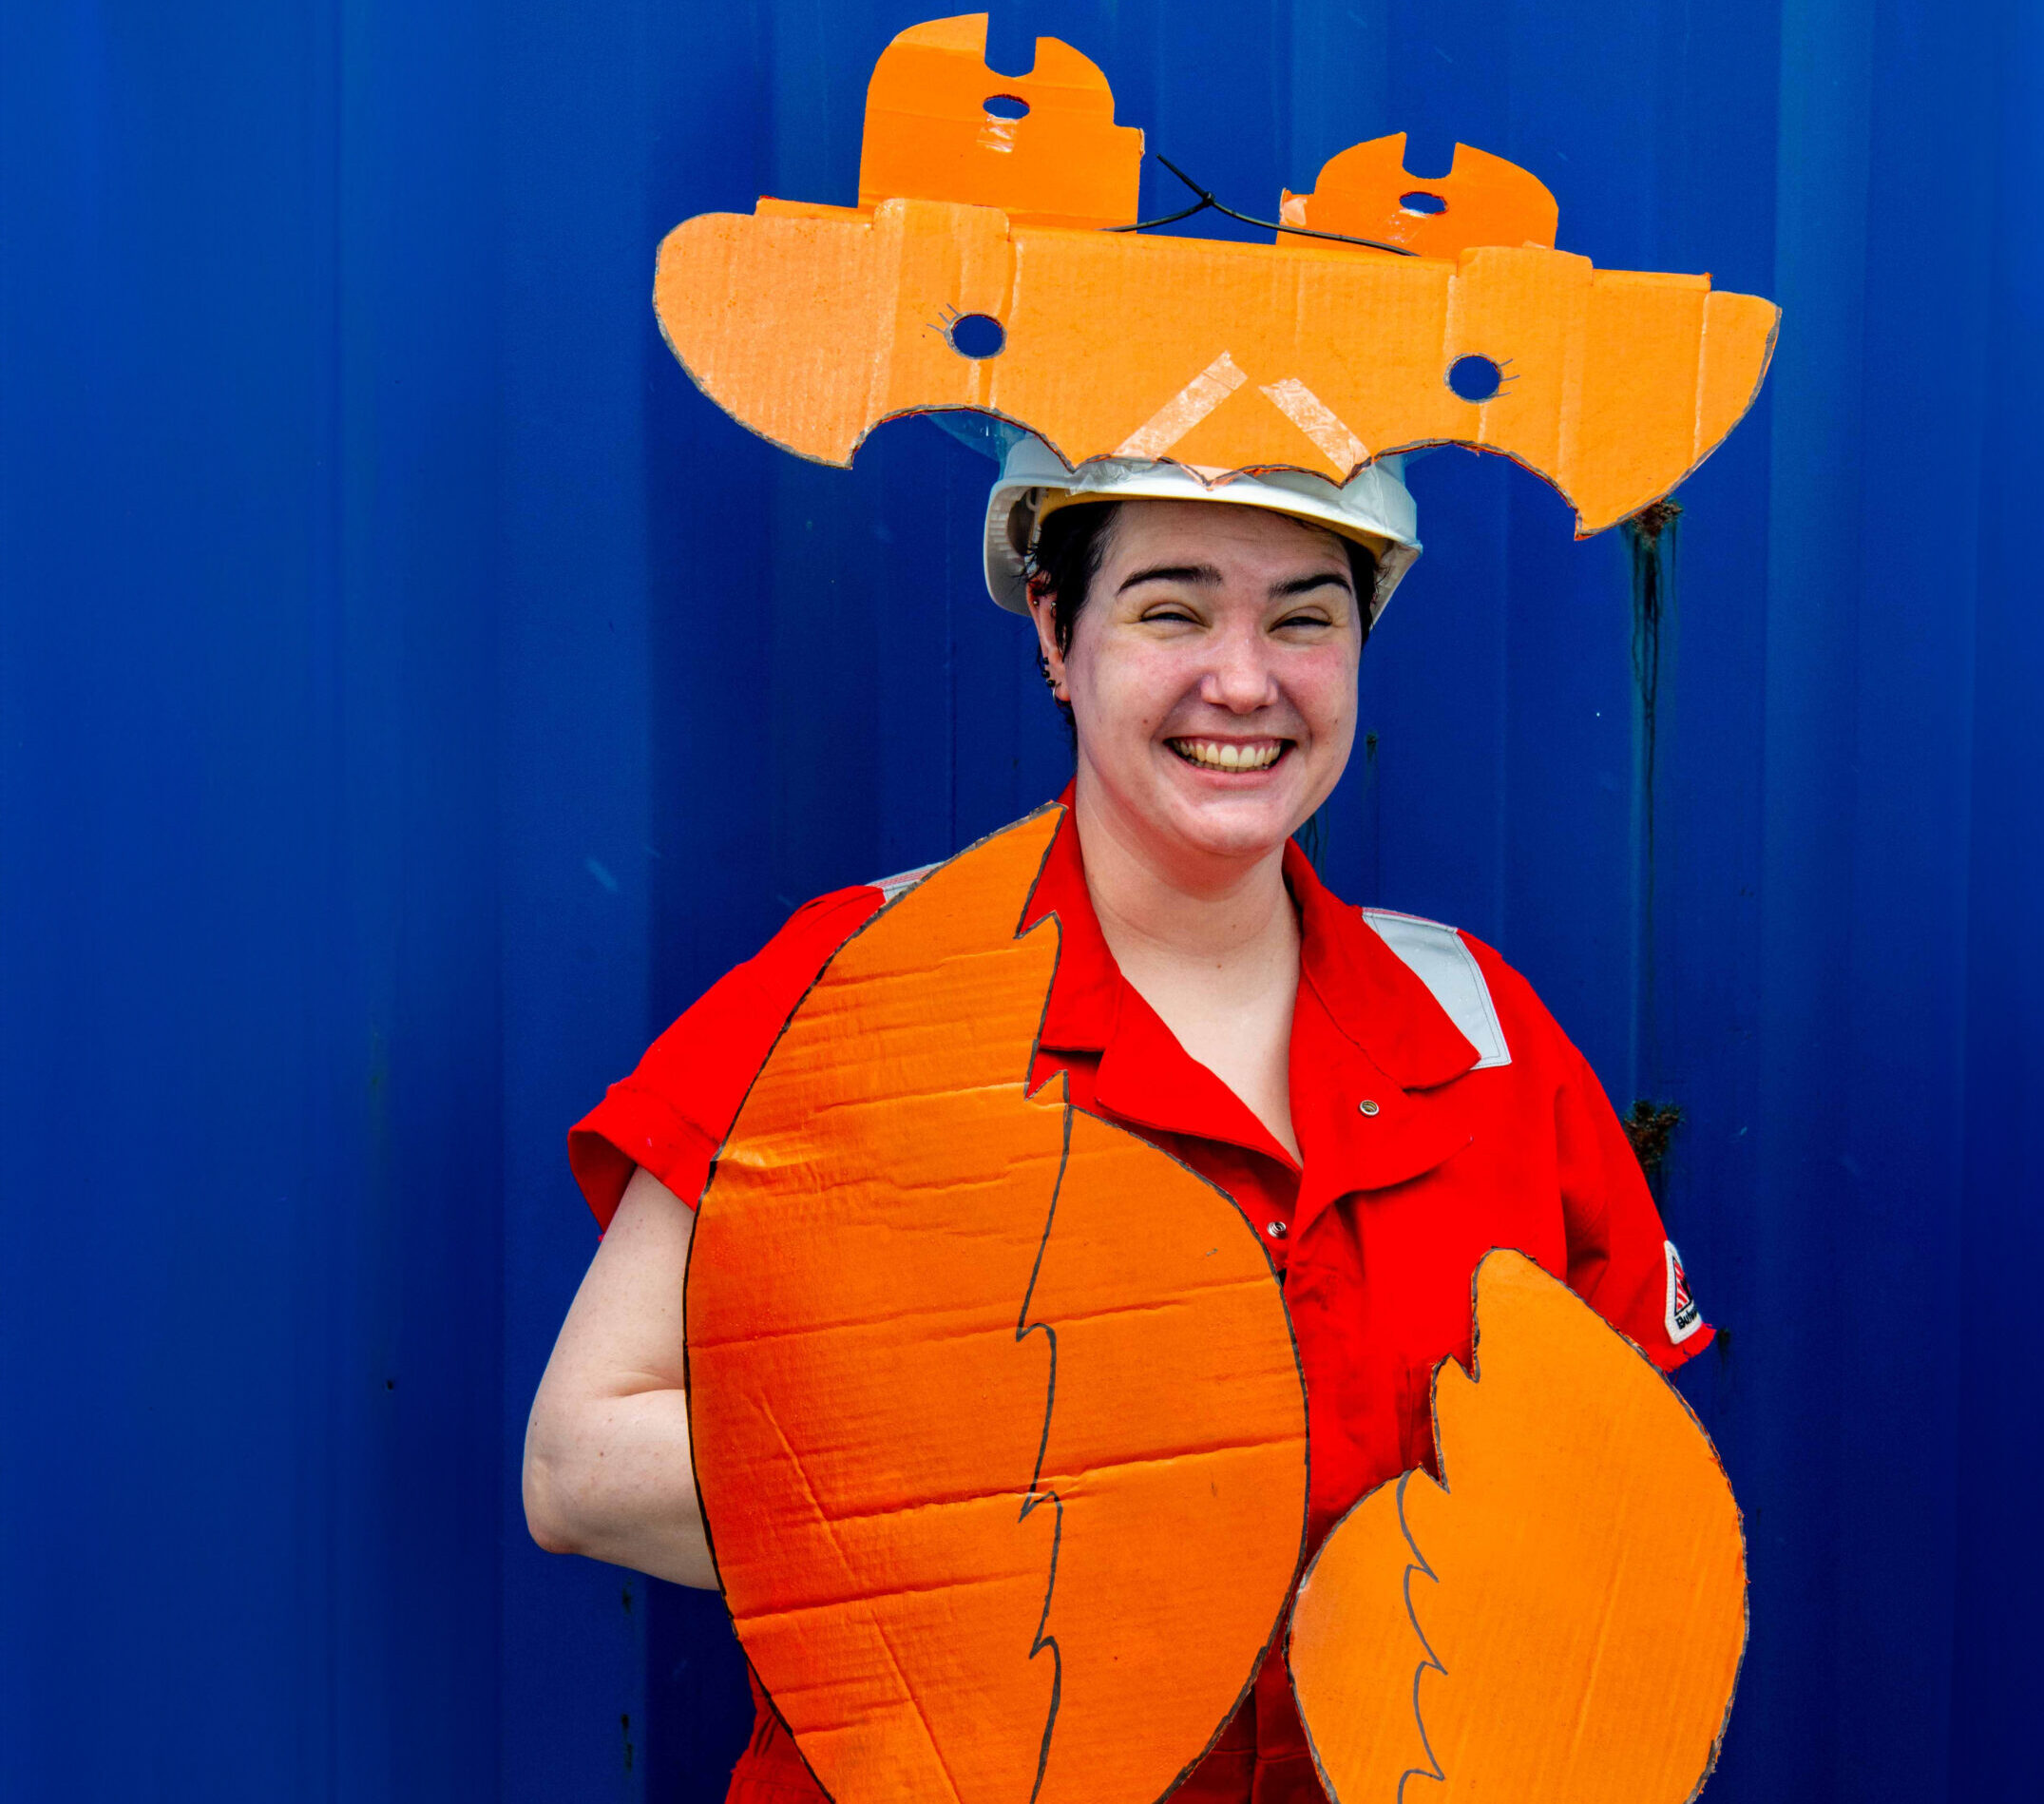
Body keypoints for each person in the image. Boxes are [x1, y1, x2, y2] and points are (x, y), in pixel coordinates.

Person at [523, 438, 1715, 1804]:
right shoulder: (858, 992)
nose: (1243, 679)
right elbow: (581, 1462)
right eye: (1171, 606)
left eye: (1305, 616)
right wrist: (1018, 1483)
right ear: (1055, 629)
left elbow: (1610, 1522)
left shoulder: (1484, 1032)